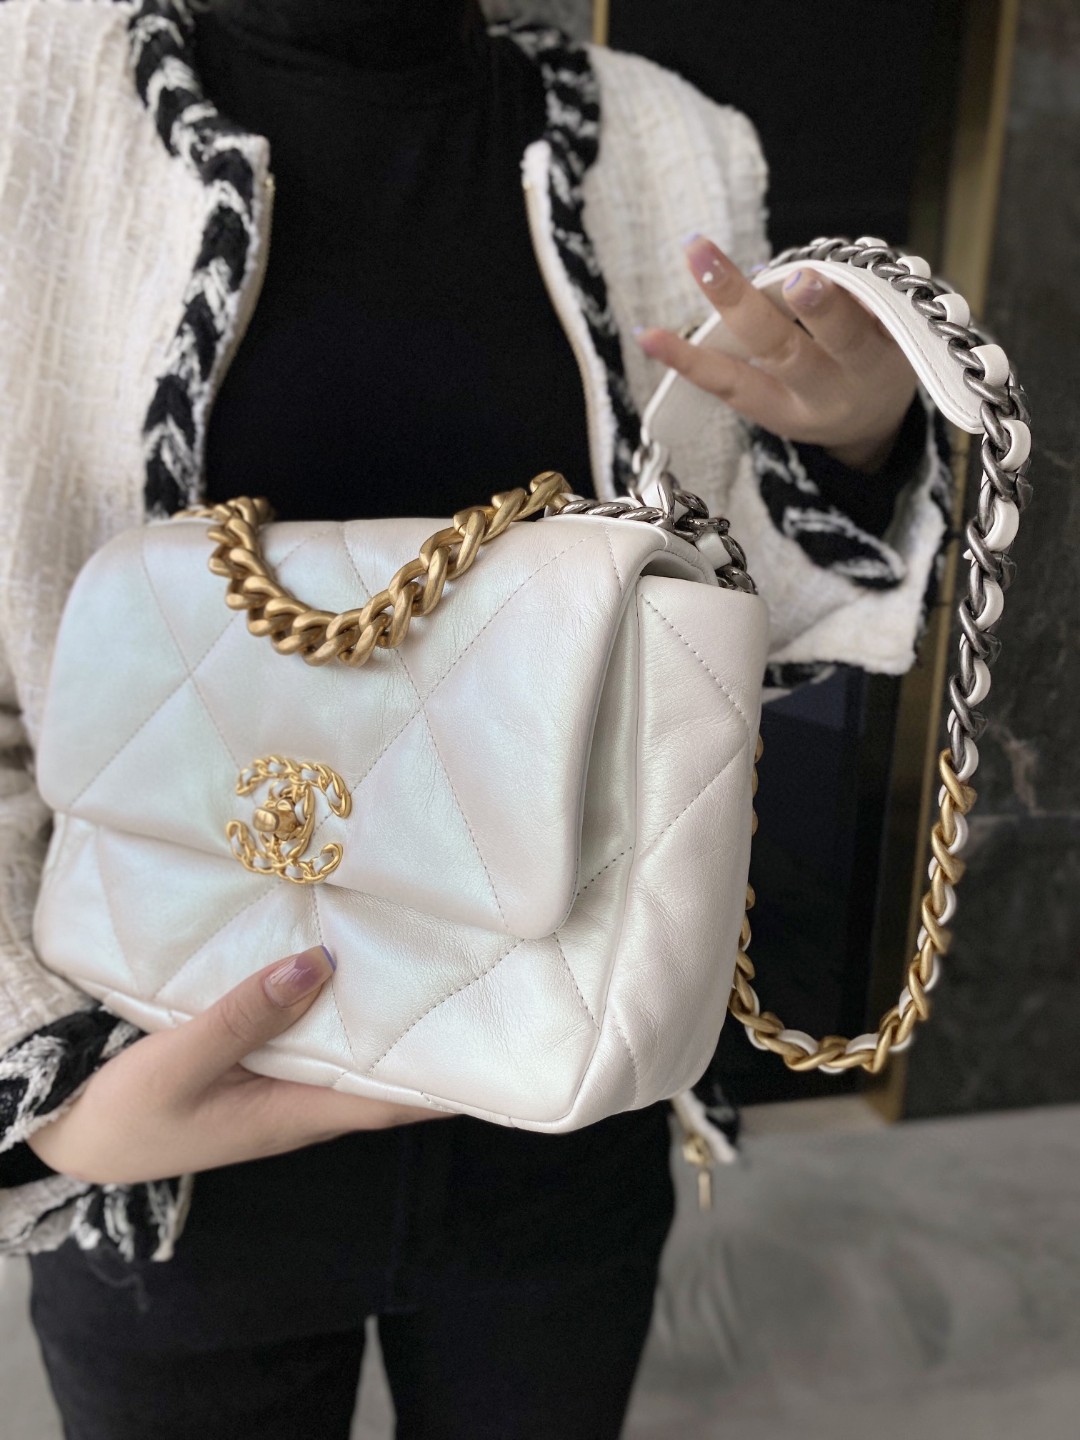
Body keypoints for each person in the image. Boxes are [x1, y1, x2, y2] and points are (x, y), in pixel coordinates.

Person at [0, 1, 949, 1435]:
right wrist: (53, 1099)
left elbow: (720, 621)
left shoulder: (664, 139)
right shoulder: (34, 93)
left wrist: (853, 447)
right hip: (165, 1133)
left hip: (561, 1109)